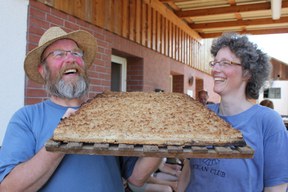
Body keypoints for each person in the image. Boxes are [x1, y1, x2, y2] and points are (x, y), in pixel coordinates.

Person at [0, 27, 161, 191]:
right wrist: (60, 140)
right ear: (43, 70)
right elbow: (8, 188)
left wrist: (163, 137)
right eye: (59, 54)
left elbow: (137, 177)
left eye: (76, 53)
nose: (70, 59)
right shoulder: (27, 118)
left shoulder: (108, 113)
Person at [178, 33, 288, 192]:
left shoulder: (268, 121)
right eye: (214, 63)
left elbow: (275, 188)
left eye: (225, 63)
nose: (215, 69)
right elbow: (188, 171)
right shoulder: (202, 115)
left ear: (248, 73)